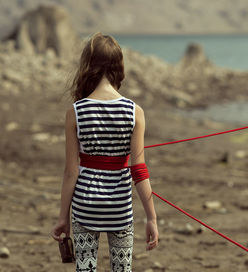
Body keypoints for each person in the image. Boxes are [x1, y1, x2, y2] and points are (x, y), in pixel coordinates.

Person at [51, 32, 159, 272]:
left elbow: (71, 171)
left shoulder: (75, 112)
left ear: (87, 66)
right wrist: (151, 218)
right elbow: (139, 170)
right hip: (120, 208)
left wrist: (63, 217)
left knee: (85, 269)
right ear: (118, 67)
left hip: (84, 206)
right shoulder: (135, 112)